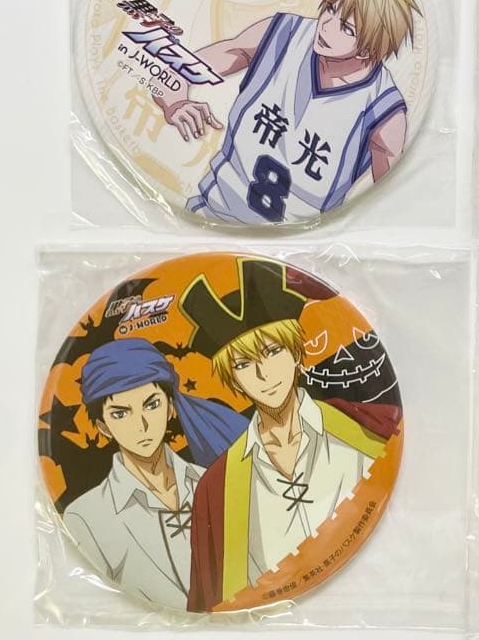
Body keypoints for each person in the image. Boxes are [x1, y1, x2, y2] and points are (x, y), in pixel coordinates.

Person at [181, 257, 395, 612]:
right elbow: (211, 603)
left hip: (375, 589)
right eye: (243, 364)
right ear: (235, 381)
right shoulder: (215, 488)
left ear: (297, 353)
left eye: (273, 351)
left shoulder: (367, 428)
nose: (263, 374)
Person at [153, 0, 421, 223]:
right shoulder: (282, 34)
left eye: (346, 28)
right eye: (330, 9)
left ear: (367, 50)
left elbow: (391, 210)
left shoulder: (384, 111)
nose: (326, 26)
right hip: (207, 217)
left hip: (298, 245)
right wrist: (175, 103)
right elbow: (177, 68)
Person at [62, 338, 248, 609]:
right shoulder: (85, 517)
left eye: (151, 405)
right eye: (120, 413)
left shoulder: (217, 483)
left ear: (171, 407)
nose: (141, 425)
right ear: (103, 427)